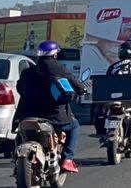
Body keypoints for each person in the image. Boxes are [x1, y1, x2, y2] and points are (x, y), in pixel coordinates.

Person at [13, 40, 86, 174]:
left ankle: (16, 161)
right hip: (54, 117)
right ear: (54, 55)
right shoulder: (58, 68)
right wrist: (82, 90)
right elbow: (77, 86)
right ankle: (68, 159)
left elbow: (20, 88)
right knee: (74, 125)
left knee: (21, 134)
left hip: (26, 115)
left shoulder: (28, 71)